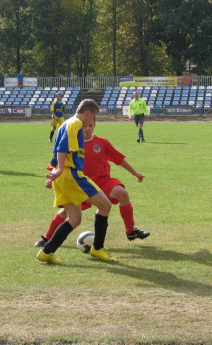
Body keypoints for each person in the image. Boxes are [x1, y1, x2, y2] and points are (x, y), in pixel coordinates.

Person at [35, 117, 150, 248]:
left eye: (91, 125)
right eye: (85, 126)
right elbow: (56, 164)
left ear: (95, 125)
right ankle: (47, 239)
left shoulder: (101, 142)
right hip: (79, 183)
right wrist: (51, 179)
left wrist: (135, 173)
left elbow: (118, 159)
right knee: (66, 213)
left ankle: (130, 231)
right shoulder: (72, 143)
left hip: (102, 181)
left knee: (122, 193)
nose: (87, 129)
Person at [36, 99, 116, 264]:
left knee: (75, 219)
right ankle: (98, 248)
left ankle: (47, 251)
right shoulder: (75, 124)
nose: (91, 122)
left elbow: (56, 149)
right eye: (92, 117)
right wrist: (59, 170)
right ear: (88, 113)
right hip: (71, 174)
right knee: (105, 205)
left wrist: (55, 171)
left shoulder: (66, 123)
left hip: (63, 175)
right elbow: (62, 147)